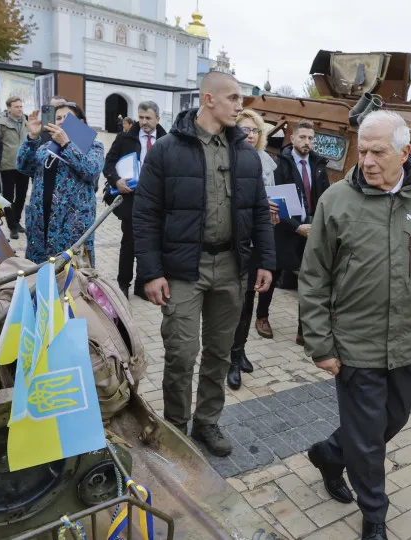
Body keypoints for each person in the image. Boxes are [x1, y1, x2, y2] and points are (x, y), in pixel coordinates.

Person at [300, 110, 411, 540]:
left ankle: (330, 454)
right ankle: (374, 516)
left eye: (378, 152)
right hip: (355, 343)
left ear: (406, 153)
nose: (366, 160)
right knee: (369, 439)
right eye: (362, 150)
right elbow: (313, 277)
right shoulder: (336, 200)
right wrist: (322, 344)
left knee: (394, 419)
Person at [133, 71, 275, 456]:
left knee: (219, 350)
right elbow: (144, 213)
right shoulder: (166, 149)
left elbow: (260, 210)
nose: (239, 106)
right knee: (180, 351)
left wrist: (265, 261)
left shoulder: (246, 153)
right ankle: (177, 426)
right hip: (182, 269)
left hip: (232, 267)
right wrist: (151, 272)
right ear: (208, 99)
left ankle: (207, 423)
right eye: (233, 98)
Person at [17, 102, 105, 265]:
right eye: (58, 118)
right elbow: (23, 166)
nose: (62, 121)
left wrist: (67, 145)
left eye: (67, 118)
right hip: (40, 224)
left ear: (81, 122)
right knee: (38, 274)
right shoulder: (44, 147)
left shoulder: (93, 146)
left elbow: (92, 170)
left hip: (71, 226)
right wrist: (32, 138)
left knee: (72, 277)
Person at [227, 108, 278, 390]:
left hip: (258, 238)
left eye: (255, 130)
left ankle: (239, 351)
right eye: (244, 129)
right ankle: (229, 360)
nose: (250, 134)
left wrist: (271, 210)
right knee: (233, 306)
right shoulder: (228, 159)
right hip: (235, 241)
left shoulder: (266, 161)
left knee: (248, 303)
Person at [271, 120, 330, 345]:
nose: (307, 142)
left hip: (311, 230)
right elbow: (276, 201)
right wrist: (296, 226)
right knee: (274, 271)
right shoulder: (281, 164)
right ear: (293, 139)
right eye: (303, 137)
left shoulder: (318, 164)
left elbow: (323, 197)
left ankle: (302, 330)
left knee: (307, 281)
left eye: (311, 138)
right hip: (286, 228)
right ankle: (262, 316)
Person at [103, 101, 168, 299]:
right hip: (132, 197)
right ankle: (123, 283)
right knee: (129, 243)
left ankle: (142, 284)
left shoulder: (168, 140)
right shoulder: (125, 138)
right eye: (141, 117)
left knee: (150, 243)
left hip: (157, 200)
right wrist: (116, 180)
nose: (144, 122)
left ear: (157, 118)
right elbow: (109, 163)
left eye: (148, 118)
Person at [0, 96, 31, 239]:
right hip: (8, 165)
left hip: (24, 164)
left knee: (21, 196)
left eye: (21, 106)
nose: (19, 109)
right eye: (16, 107)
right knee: (8, 197)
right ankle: (12, 226)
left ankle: (16, 221)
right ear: (9, 108)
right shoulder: (1, 123)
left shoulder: (27, 121)